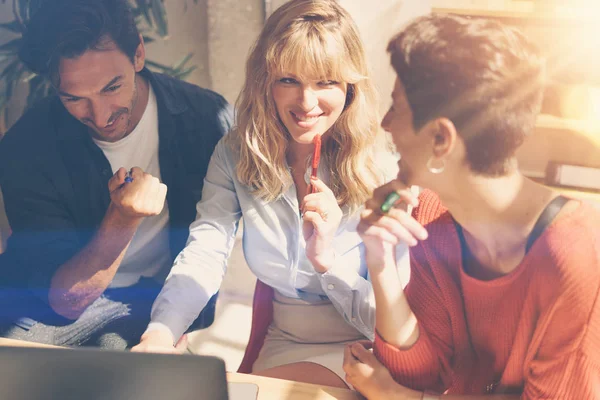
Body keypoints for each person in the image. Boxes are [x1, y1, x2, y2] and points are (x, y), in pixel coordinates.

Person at [133, 0, 407, 389]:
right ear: (266, 82)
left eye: (325, 81)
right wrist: (161, 332)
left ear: (350, 86)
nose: (306, 103)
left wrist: (328, 262)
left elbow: (395, 317)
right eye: (289, 80)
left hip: (366, 349)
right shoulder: (235, 154)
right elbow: (205, 253)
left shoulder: (386, 170)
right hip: (283, 342)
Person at [342, 13, 600, 399]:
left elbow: (402, 391)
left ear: (442, 139)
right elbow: (425, 375)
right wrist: (380, 263)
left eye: (396, 107)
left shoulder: (578, 258)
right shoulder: (433, 216)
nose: (385, 123)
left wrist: (393, 397)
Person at [0, 0, 232, 349]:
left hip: (155, 296)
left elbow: (214, 242)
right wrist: (122, 218)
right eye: (74, 99)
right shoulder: (27, 146)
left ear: (138, 53)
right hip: (50, 304)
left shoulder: (207, 119)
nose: (100, 115)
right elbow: (65, 300)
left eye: (112, 87)